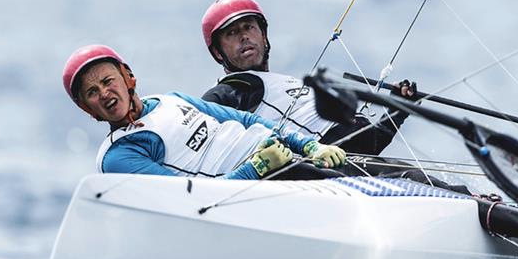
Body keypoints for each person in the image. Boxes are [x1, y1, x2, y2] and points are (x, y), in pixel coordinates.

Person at [62, 44, 347, 180]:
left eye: (107, 81)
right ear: (89, 110)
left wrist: (308, 144)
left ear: (128, 78)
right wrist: (257, 168)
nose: (104, 94)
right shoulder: (119, 154)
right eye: (92, 93)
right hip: (257, 184)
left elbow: (247, 120)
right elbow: (186, 199)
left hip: (284, 157)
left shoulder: (170, 99)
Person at [199, 0, 418, 158]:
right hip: (328, 171)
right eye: (232, 33)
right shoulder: (237, 86)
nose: (244, 36)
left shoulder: (280, 83)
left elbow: (368, 144)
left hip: (359, 161)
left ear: (264, 37)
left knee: (445, 191)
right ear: (218, 52)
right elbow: (196, 114)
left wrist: (398, 110)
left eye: (249, 27)